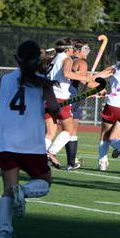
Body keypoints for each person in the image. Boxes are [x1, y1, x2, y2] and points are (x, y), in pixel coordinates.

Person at [0, 40, 60, 238]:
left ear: (17, 58)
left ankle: (4, 233)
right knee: (44, 182)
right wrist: (54, 107)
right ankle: (23, 191)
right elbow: (54, 109)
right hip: (31, 143)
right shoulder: (43, 82)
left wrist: (2, 120)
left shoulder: (5, 80)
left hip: (5, 141)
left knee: (7, 188)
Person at [44, 38, 88, 169]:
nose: (73, 51)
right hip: (60, 99)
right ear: (67, 49)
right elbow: (66, 73)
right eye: (72, 49)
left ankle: (38, 157)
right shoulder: (67, 59)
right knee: (69, 130)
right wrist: (85, 77)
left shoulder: (52, 58)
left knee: (50, 133)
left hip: (47, 97)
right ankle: (51, 152)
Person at [64, 39, 91, 170]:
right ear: (78, 50)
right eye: (86, 49)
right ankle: (71, 162)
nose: (88, 52)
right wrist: (100, 87)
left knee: (50, 130)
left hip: (54, 96)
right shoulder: (81, 63)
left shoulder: (65, 59)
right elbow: (84, 81)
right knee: (71, 131)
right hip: (70, 98)